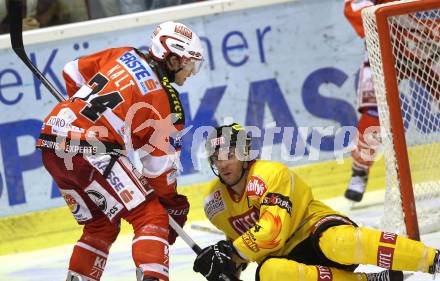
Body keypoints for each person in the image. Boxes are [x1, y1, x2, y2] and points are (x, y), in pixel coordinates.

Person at [36, 21, 204, 281]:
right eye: (189, 64)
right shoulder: (167, 102)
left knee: (100, 225)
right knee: (151, 216)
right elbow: (159, 170)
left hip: (51, 140)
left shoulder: (125, 54)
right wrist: (171, 204)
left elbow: (71, 72)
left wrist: (83, 113)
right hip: (93, 149)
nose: (191, 72)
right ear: (172, 59)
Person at [192, 123, 440, 281]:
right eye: (216, 158)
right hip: (288, 260)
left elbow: (272, 233)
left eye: (229, 154)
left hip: (314, 229)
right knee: (270, 274)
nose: (222, 163)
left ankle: (433, 260)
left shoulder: (269, 174)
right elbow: (236, 244)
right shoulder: (215, 204)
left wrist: (232, 254)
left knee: (339, 242)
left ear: (245, 152)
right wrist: (223, 268)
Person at [343, 0, 398, 202]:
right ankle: (360, 171)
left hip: (428, 45)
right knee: (374, 111)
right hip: (383, 45)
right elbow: (354, 8)